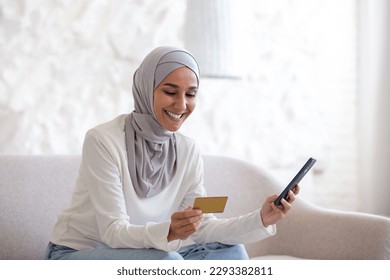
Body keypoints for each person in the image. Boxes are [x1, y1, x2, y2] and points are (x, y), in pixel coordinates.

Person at [44, 46, 299, 260]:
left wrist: (262, 219)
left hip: (152, 249)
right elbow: (113, 231)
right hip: (79, 253)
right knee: (167, 261)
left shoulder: (188, 149)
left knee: (232, 254)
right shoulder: (103, 140)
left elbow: (202, 227)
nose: (181, 105)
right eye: (169, 92)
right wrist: (169, 232)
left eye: (190, 94)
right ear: (147, 87)